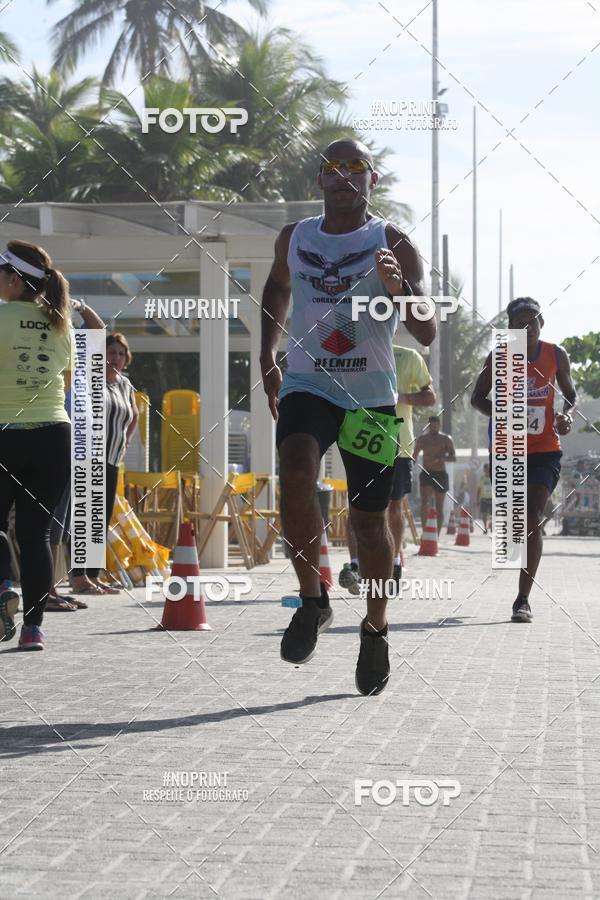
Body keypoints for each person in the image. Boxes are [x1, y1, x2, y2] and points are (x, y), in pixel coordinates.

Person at [260, 138, 436, 695]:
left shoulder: (393, 241)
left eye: (355, 167)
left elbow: (428, 329)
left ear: (371, 180)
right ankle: (313, 600)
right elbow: (276, 286)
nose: (343, 176)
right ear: (319, 181)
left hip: (371, 395)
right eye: (332, 168)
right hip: (309, 382)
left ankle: (376, 629)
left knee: (369, 523)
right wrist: (267, 354)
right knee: (295, 467)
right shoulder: (296, 237)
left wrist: (399, 288)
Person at [471, 297, 577, 623]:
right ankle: (518, 563)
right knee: (517, 521)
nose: (527, 327)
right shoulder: (500, 355)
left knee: (533, 514)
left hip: (546, 449)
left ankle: (523, 599)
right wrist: (502, 413)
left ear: (541, 324)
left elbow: (570, 394)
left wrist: (565, 415)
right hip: (508, 447)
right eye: (520, 322)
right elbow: (477, 398)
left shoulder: (555, 354)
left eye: (533, 321)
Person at [0, 240, 73, 650]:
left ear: (13, 279)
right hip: (53, 435)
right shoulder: (61, 322)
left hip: (4, 430)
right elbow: (64, 383)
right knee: (37, 535)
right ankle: (32, 629)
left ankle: (4, 582)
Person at [341, 345, 435, 594]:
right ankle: (355, 566)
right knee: (357, 505)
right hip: (363, 439)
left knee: (394, 506)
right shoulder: (353, 351)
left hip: (399, 442)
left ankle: (393, 565)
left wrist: (404, 398)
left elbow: (430, 397)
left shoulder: (409, 356)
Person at [47, 299, 107, 609]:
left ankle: (54, 587)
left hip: (77, 442)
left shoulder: (75, 346)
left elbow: (98, 329)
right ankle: (45, 590)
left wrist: (81, 306)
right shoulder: (46, 341)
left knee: (64, 518)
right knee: (52, 517)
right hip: (53, 436)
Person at [70, 332, 139, 595]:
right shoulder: (90, 379)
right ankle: (78, 576)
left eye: (121, 354)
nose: (117, 358)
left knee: (100, 517)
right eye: (112, 352)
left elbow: (134, 415)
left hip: (112, 459)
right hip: (87, 458)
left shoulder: (126, 385)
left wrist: (126, 442)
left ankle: (92, 574)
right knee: (83, 516)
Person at [413, 416, 456, 533]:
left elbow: (453, 457)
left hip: (440, 474)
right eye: (431, 426)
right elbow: (414, 456)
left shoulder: (446, 439)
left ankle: (436, 535)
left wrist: (443, 458)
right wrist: (409, 468)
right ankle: (425, 532)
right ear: (428, 426)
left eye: (435, 426)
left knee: (439, 506)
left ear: (439, 426)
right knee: (424, 503)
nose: (433, 428)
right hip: (426, 473)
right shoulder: (422, 439)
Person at [477, 463, 493, 533]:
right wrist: (477, 499)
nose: (487, 470)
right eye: (486, 469)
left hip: (492, 499)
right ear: (484, 470)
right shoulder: (482, 478)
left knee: (492, 515)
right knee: (484, 514)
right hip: (484, 498)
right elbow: (479, 489)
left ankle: (492, 527)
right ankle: (485, 527)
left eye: (488, 469)